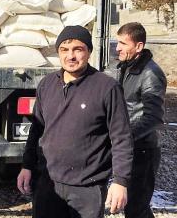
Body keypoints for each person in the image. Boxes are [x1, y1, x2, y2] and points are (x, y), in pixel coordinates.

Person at [17, 25, 134, 218]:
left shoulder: (107, 87)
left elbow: (121, 138)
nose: (70, 56)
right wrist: (27, 166)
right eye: (64, 49)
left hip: (88, 187)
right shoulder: (47, 84)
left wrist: (121, 181)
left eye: (77, 49)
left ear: (88, 52)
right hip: (48, 183)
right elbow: (36, 130)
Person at [116, 22, 167, 218]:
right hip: (128, 147)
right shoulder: (124, 67)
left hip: (143, 149)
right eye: (117, 42)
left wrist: (125, 137)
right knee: (134, 205)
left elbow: (153, 117)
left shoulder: (151, 74)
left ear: (138, 47)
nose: (117, 47)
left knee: (136, 207)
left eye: (123, 43)